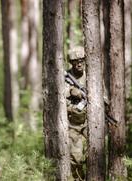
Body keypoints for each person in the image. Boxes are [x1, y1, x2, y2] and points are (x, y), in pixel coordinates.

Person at [65, 46, 87, 180]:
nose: (79, 63)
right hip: (73, 124)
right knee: (76, 158)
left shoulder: (91, 76)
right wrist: (71, 91)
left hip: (90, 122)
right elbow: (60, 95)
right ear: (71, 62)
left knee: (94, 155)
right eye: (75, 61)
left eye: (81, 60)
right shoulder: (66, 77)